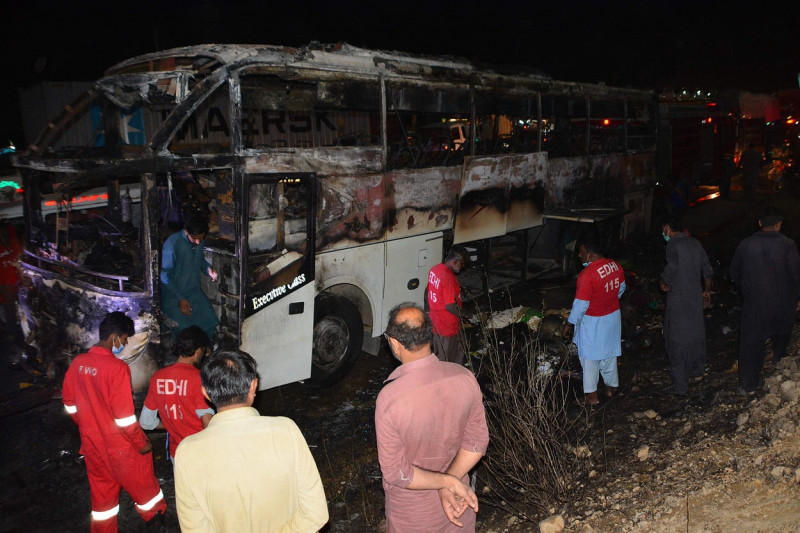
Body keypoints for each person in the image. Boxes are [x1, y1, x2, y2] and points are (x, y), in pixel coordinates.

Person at [174, 348, 328, 532]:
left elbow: (194, 528)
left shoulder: (186, 451)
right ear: (253, 386)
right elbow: (315, 513)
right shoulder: (286, 430)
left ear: (206, 393)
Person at [376, 304, 489, 532]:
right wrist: (451, 480)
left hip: (414, 516)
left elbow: (398, 473)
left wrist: (445, 483)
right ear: (430, 336)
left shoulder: (390, 399)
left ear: (395, 343)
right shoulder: (464, 377)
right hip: (460, 503)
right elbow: (477, 442)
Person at [61, 312, 167, 532]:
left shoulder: (78, 363)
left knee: (103, 500)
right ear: (115, 338)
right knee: (145, 486)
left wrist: (89, 423)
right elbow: (125, 418)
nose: (125, 345)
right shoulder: (117, 369)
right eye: (125, 340)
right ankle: (155, 518)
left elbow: (69, 404)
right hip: (121, 448)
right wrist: (141, 443)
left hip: (92, 446)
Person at [729, 206, 800, 394]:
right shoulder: (788, 244)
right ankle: (779, 371)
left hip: (755, 304)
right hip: (783, 304)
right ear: (779, 224)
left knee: (751, 344)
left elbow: (734, 273)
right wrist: (796, 298)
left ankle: (749, 385)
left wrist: (747, 287)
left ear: (760, 223)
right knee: (781, 338)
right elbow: (796, 274)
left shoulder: (746, 244)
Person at [562, 240, 626, 406]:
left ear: (590, 254)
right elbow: (621, 287)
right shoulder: (615, 265)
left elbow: (581, 305)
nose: (579, 255)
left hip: (593, 321)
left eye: (581, 252)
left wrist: (570, 323)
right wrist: (608, 300)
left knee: (588, 358)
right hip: (612, 317)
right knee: (609, 354)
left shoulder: (587, 274)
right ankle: (611, 388)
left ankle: (592, 397)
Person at [139, 325, 215, 463]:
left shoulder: (157, 377)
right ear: (198, 351)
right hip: (200, 453)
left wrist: (171, 424)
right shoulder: (198, 378)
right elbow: (207, 421)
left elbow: (146, 422)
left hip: (177, 454)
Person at [659, 216, 713, 396]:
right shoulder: (695, 243)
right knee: (696, 334)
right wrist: (706, 290)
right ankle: (697, 371)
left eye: (664, 229)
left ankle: (680, 386)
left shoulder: (673, 245)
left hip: (679, 300)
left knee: (675, 339)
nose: (663, 232)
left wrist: (663, 281)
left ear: (668, 227)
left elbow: (671, 270)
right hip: (695, 299)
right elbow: (707, 269)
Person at [160, 214, 220, 340]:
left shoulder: (199, 241)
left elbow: (200, 261)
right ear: (186, 232)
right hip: (173, 296)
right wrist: (180, 299)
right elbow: (165, 276)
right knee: (185, 333)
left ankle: (206, 351)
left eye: (201, 238)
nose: (198, 242)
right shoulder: (172, 245)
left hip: (193, 292)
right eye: (194, 238)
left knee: (210, 321)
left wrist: (209, 270)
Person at [425, 245, 469, 364]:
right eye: (462, 264)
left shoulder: (435, 269)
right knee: (446, 359)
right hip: (447, 326)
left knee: (440, 353)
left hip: (436, 322)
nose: (463, 267)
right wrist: (467, 315)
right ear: (455, 261)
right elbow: (450, 306)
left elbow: (427, 290)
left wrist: (428, 311)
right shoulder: (448, 277)